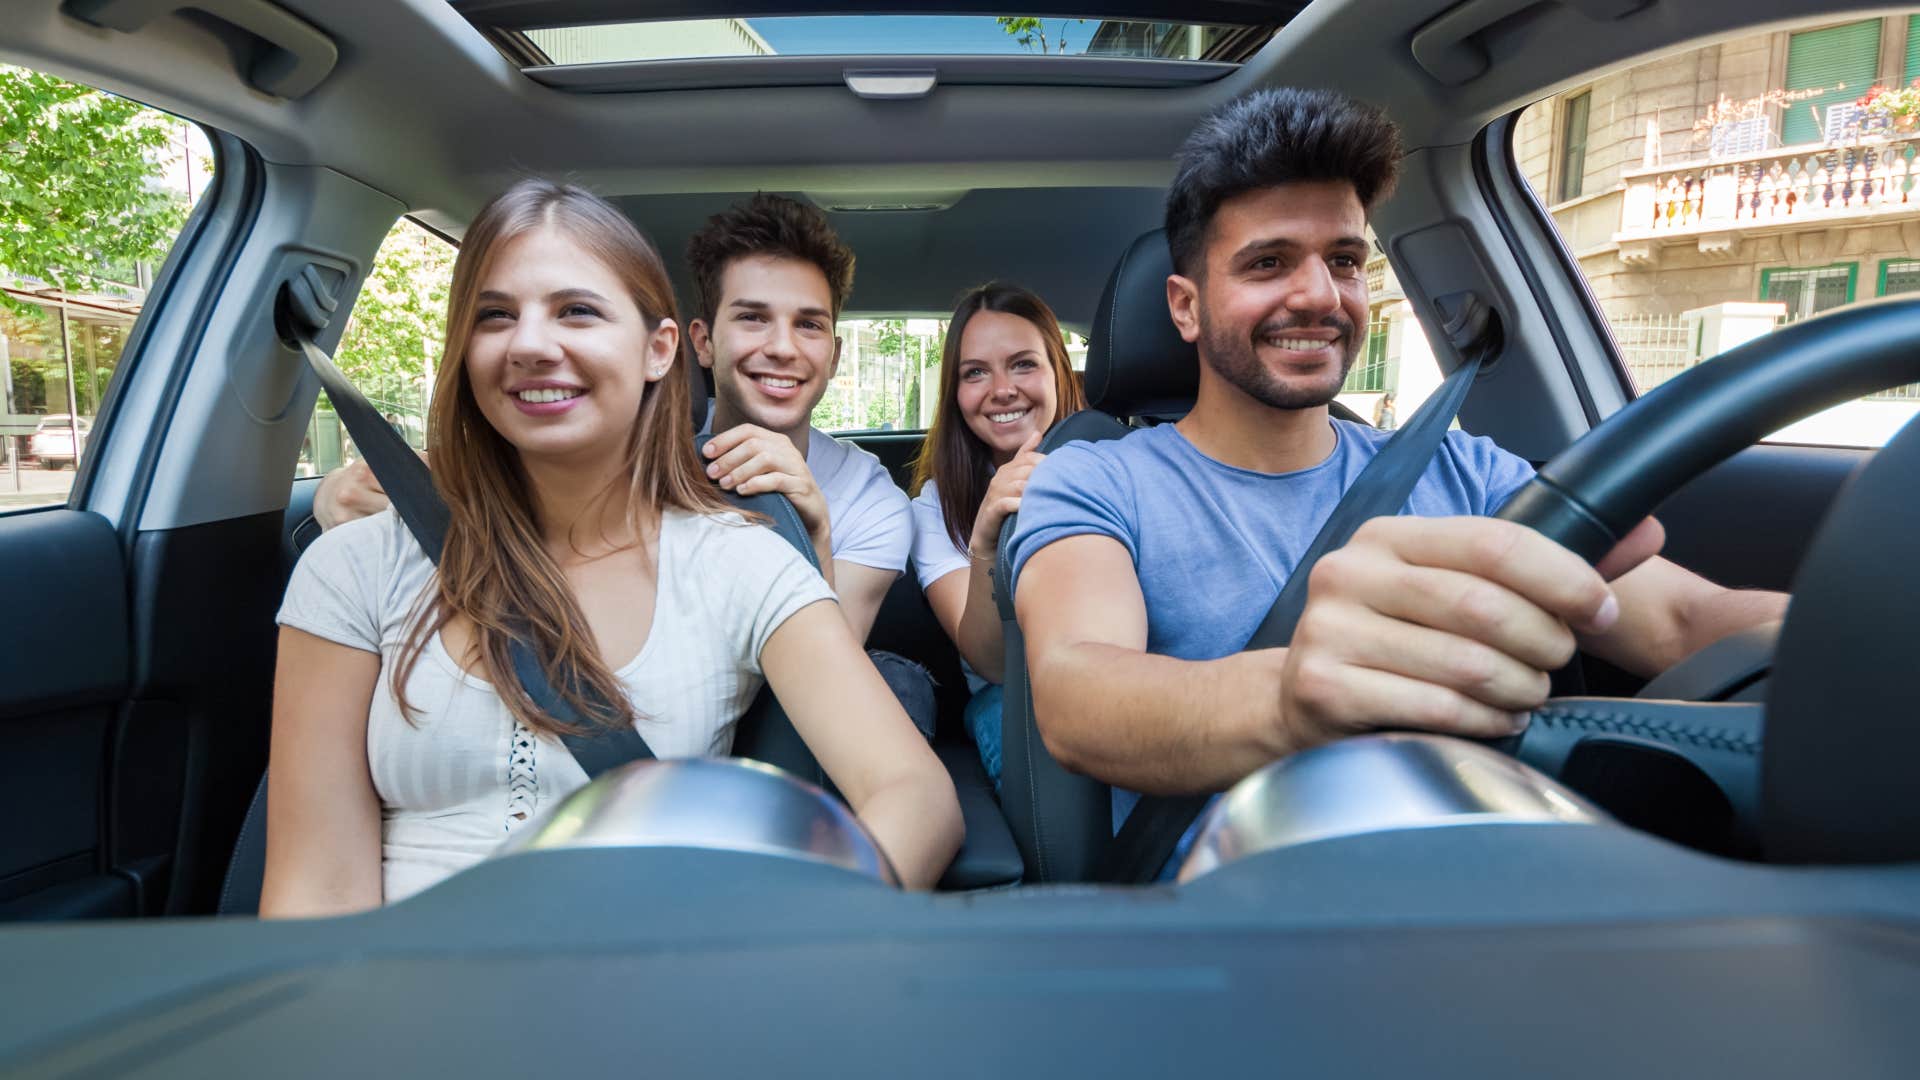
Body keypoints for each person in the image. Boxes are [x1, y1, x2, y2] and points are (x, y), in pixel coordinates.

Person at [1006, 87, 1788, 877]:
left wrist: (1864, 635)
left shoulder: (1468, 470)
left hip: (1494, 868)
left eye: (1344, 261)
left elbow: (1687, 616)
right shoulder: (1094, 477)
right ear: (1186, 307)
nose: (1319, 294)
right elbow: (1080, 691)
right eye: (1268, 263)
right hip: (1233, 905)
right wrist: (1290, 699)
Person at [264, 181, 961, 916]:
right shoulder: (356, 563)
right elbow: (314, 893)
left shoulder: (743, 555)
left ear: (658, 350)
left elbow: (910, 792)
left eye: (577, 311)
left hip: (656, 989)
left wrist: (779, 949)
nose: (531, 343)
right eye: (495, 315)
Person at [314, 193, 938, 737]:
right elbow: (481, 475)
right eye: (751, 318)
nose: (781, 347)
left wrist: (813, 530)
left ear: (832, 354)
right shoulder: (605, 441)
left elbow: (818, 690)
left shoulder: (870, 499)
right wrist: (371, 504)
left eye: (809, 326)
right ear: (698, 342)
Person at [906, 283, 1087, 785]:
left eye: (1023, 364)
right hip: (1009, 696)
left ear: (1059, 372)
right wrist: (986, 539)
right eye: (975, 373)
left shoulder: (1120, 464)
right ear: (955, 393)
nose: (1002, 389)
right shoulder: (936, 505)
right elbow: (991, 663)